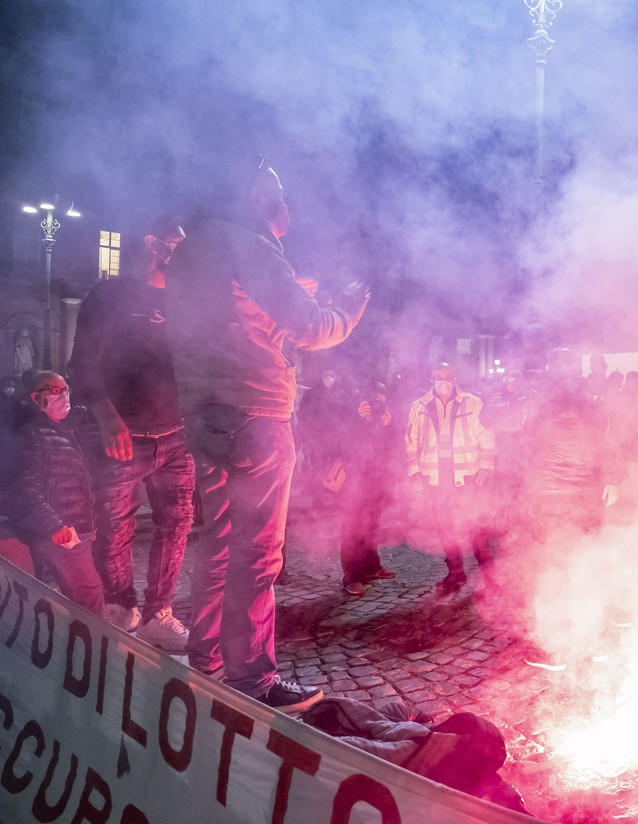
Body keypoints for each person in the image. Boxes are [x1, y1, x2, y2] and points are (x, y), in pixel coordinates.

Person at [165, 157, 369, 713]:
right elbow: (311, 326)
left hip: (203, 413)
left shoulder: (189, 250)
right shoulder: (250, 242)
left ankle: (205, 658)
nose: (285, 204)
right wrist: (349, 308)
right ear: (256, 197)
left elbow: (231, 319)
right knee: (257, 556)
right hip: (254, 415)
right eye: (277, 193)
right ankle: (253, 679)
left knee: (218, 545)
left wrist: (279, 289)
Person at [68, 215, 195, 651]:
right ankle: (121, 607)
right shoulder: (110, 294)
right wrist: (105, 414)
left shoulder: (185, 299)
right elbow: (82, 360)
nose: (184, 254)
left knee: (176, 525)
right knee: (115, 526)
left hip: (178, 435)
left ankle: (160, 613)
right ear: (153, 243)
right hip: (123, 435)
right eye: (178, 244)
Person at [514, 348, 620, 670]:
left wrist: (612, 478)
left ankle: (562, 645)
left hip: (564, 500)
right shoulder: (589, 402)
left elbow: (525, 450)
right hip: (566, 499)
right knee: (578, 567)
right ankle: (585, 641)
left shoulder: (550, 403)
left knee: (554, 569)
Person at [10, 372, 104, 615]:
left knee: (70, 597)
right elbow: (27, 487)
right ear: (35, 397)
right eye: (55, 391)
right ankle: (91, 652)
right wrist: (55, 526)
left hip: (72, 529)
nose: (64, 396)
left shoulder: (56, 429)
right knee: (88, 597)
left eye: (66, 390)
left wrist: (89, 524)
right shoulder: (31, 434)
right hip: (60, 533)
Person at [406, 363, 495, 595]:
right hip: (436, 477)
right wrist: (415, 472)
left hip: (467, 475)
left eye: (447, 376)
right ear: (431, 379)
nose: (443, 381)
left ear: (455, 378)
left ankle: (489, 573)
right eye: (438, 377)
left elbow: (487, 437)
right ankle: (456, 573)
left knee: (476, 525)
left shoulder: (474, 403)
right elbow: (411, 441)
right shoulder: (419, 406)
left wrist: (485, 467)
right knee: (446, 528)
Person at [338, 381, 398, 595]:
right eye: (373, 399)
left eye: (381, 398)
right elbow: (341, 442)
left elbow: (396, 447)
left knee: (372, 527)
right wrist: (359, 420)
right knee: (352, 528)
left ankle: (372, 567)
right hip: (355, 480)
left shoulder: (388, 419)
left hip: (378, 479)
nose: (377, 403)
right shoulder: (352, 417)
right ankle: (351, 577)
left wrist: (389, 427)